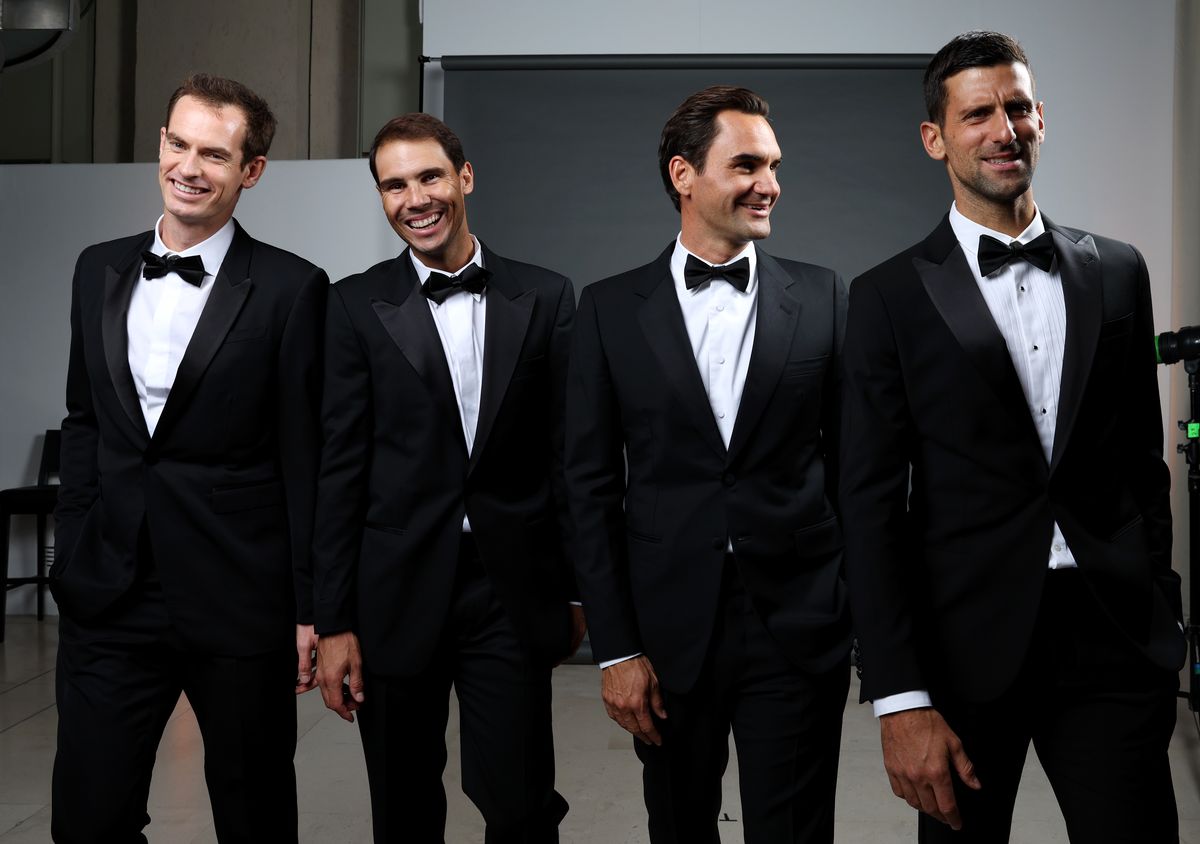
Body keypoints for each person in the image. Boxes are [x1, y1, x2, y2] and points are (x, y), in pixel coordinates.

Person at [840, 30, 1185, 843]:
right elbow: (869, 503)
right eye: (978, 114)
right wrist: (900, 695)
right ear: (936, 138)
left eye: (1018, 107)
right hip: (964, 652)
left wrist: (1160, 611)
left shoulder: (1117, 271)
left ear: (1041, 118)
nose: (1004, 129)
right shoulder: (887, 296)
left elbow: (1143, 463)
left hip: (1110, 637)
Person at [565, 85, 851, 843]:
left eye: (775, 165)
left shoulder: (824, 298)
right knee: (680, 828)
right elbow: (588, 488)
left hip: (798, 624)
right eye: (747, 164)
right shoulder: (607, 308)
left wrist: (853, 611)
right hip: (665, 634)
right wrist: (617, 648)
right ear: (683, 175)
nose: (771, 184)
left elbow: (857, 475)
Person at [51, 73, 327, 843]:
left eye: (215, 152)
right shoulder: (95, 267)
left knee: (254, 811)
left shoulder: (292, 289)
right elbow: (85, 422)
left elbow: (306, 456)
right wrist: (71, 547)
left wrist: (310, 607)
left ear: (252, 170)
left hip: (239, 593)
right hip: (109, 589)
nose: (189, 166)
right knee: (87, 817)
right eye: (178, 143)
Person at [312, 113, 584, 843]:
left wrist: (579, 587)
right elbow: (338, 470)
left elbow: (569, 459)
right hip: (393, 589)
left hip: (509, 586)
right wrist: (332, 619)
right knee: (402, 806)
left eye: (429, 176)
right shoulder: (350, 304)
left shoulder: (549, 296)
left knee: (521, 802)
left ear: (464, 177)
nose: (415, 198)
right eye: (393, 185)